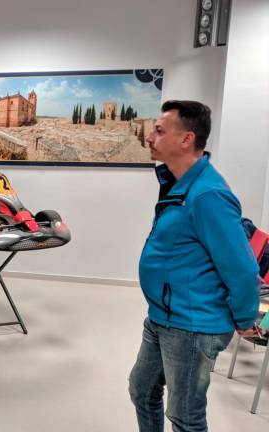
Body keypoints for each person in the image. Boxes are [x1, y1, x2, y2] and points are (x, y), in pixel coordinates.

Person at [129, 100, 260, 432]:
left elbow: (242, 269)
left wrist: (245, 319)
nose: (150, 137)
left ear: (186, 139)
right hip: (163, 315)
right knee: (142, 390)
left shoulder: (207, 195)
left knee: (185, 416)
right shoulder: (179, 185)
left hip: (192, 325)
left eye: (159, 130)